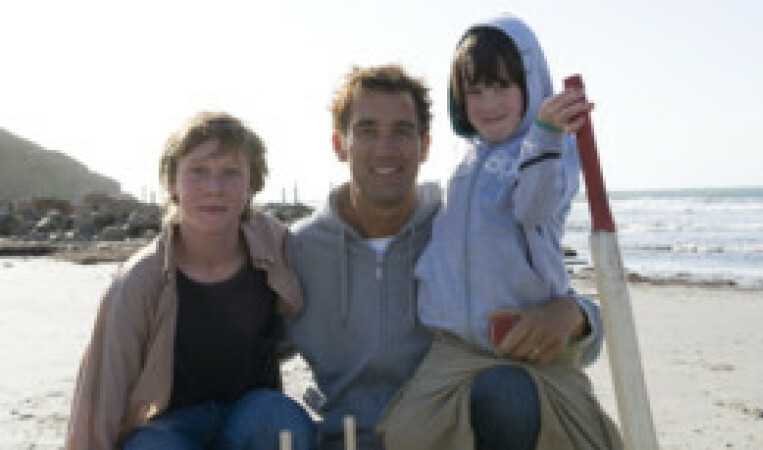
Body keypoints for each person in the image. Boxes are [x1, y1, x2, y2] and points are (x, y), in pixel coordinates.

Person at [377, 14, 622, 449]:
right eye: (474, 91)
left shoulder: (553, 151)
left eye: (502, 86)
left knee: (509, 402)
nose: (488, 103)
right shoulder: (463, 161)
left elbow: (535, 207)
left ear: (532, 83)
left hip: (529, 346)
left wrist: (545, 137)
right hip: (455, 349)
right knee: (403, 435)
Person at [65, 112, 317, 450]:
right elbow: (101, 390)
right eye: (198, 171)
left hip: (251, 413)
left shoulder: (280, 249)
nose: (214, 188)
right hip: (168, 426)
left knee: (281, 420)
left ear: (252, 185)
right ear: (172, 183)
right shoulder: (139, 281)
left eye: (230, 172)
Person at [286, 65, 440, 450]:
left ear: (424, 145)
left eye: (401, 131)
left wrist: (577, 318)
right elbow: (249, 344)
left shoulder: (458, 230)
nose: (385, 149)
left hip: (440, 434)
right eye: (367, 131)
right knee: (263, 417)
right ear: (340, 144)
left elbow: (552, 314)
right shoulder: (300, 249)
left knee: (509, 394)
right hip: (343, 439)